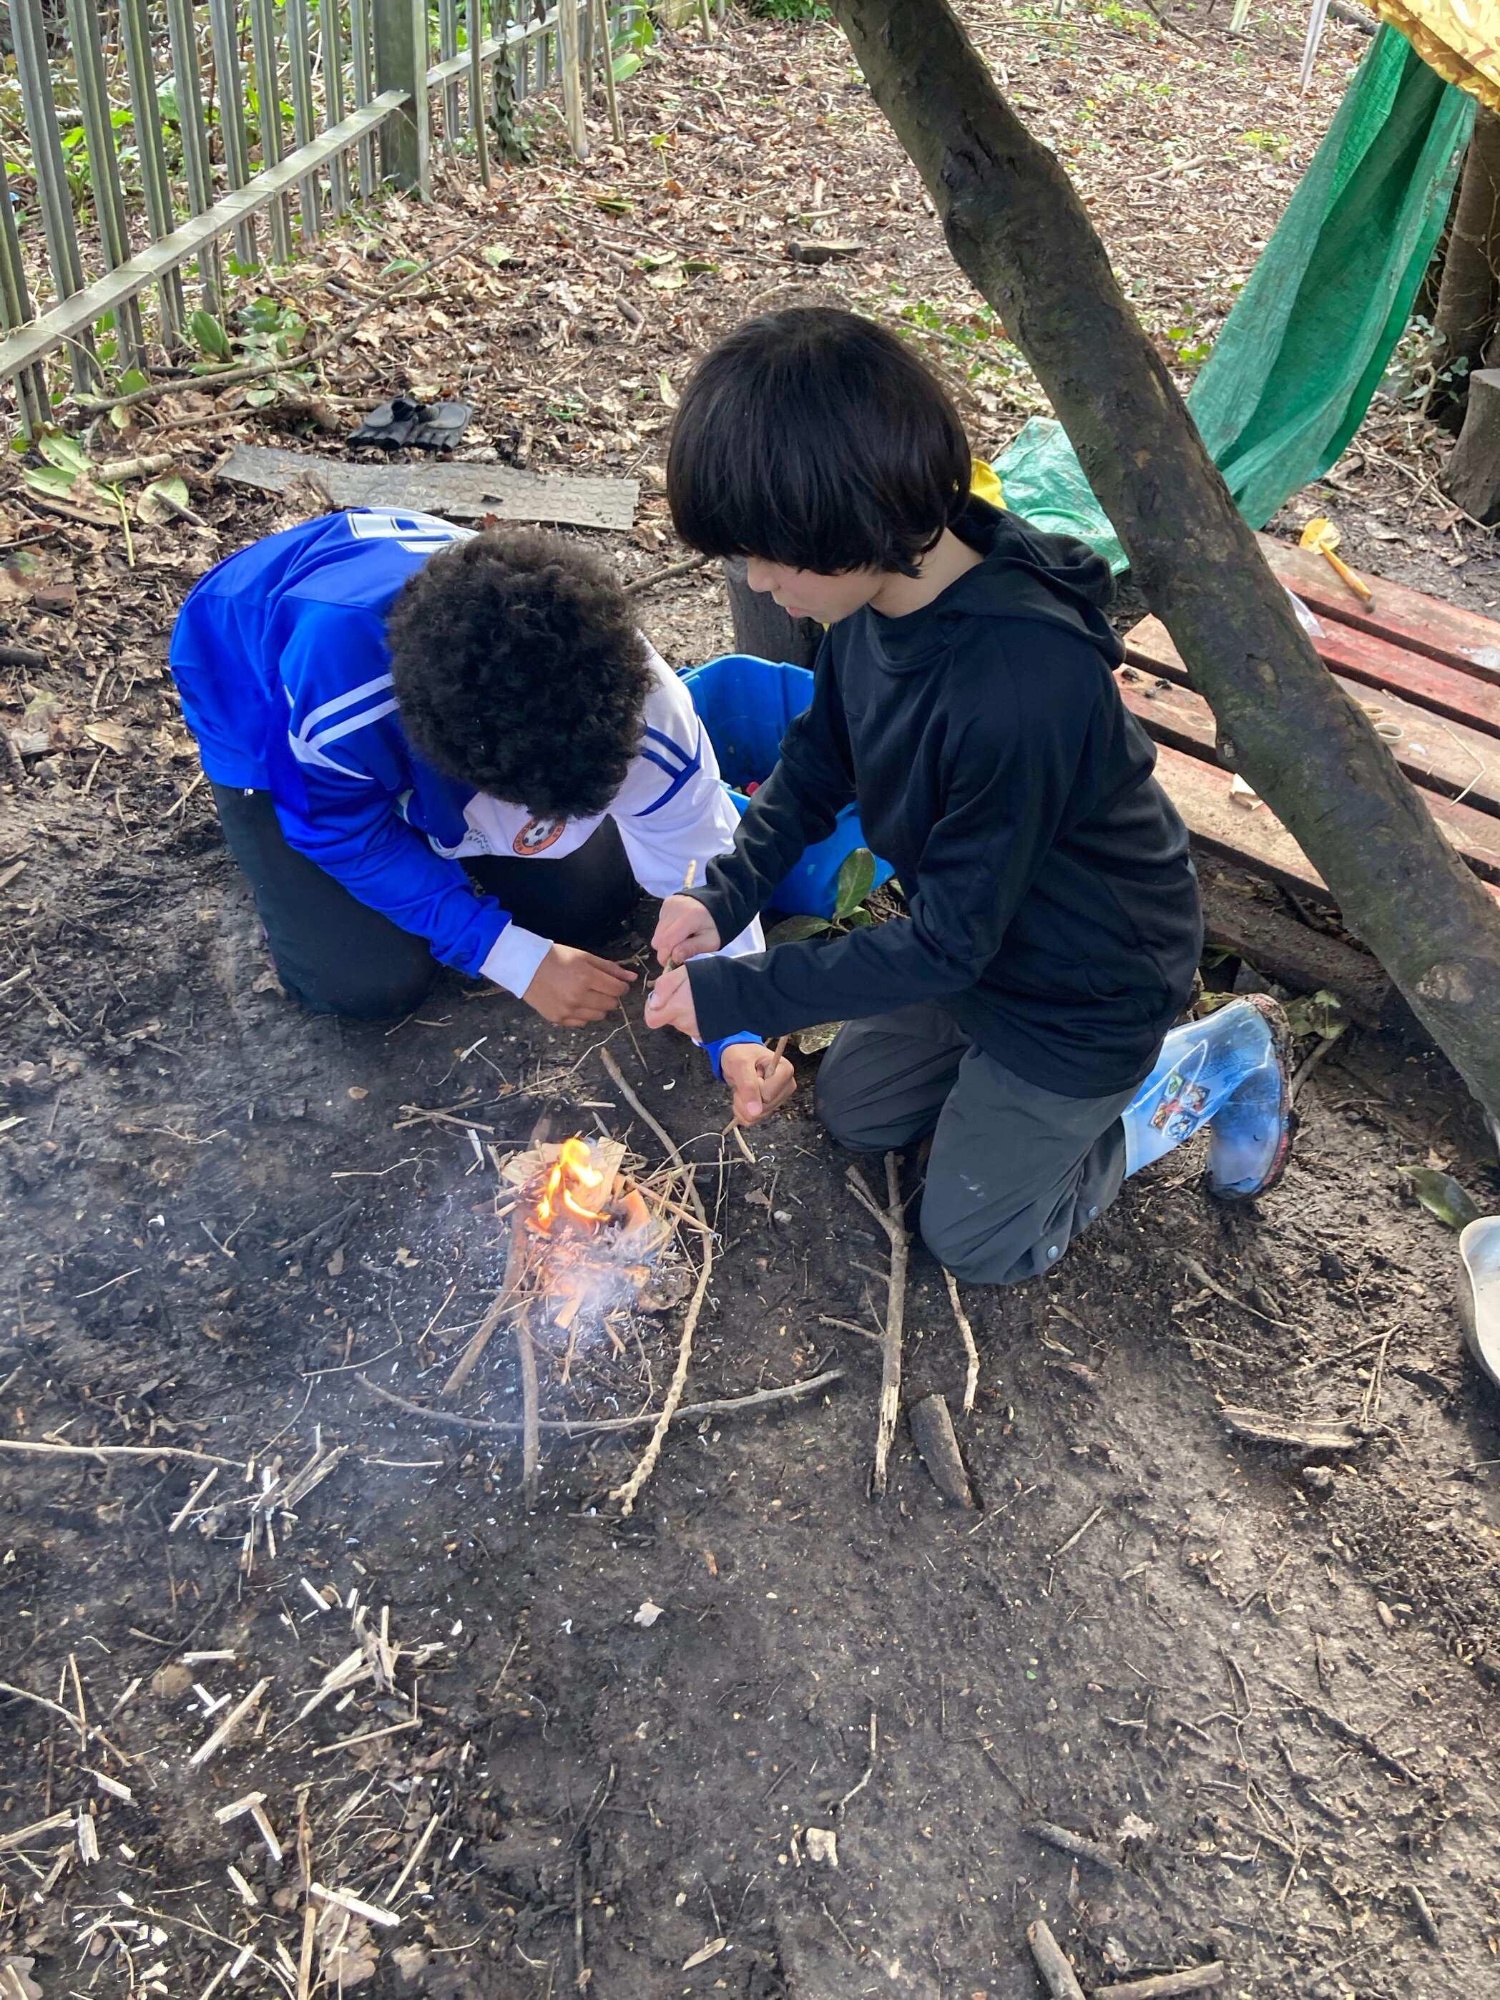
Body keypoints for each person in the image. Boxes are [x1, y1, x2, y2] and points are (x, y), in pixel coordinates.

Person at [645, 307, 1293, 1283]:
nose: (756, 577)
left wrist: (738, 987)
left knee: (981, 1240)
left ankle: (1206, 1061)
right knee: (857, 1110)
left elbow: (944, 941)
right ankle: (1003, 1104)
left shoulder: (1015, 683)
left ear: (854, 514)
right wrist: (724, 894)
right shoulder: (871, 599)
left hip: (1083, 984)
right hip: (985, 941)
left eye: (772, 551)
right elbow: (821, 757)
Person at [168, 508, 795, 1124]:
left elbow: (703, 860)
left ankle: (459, 851)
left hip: (442, 712)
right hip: (250, 682)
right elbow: (342, 832)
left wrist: (730, 1020)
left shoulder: (641, 701)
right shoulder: (341, 704)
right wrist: (507, 955)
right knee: (368, 982)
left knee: (589, 906)